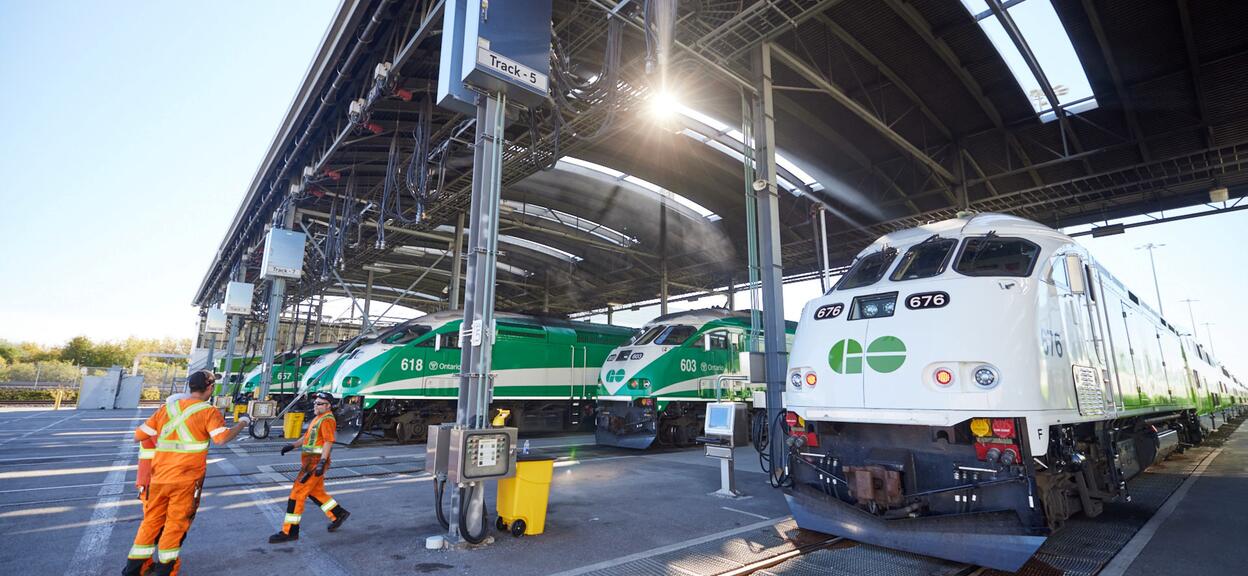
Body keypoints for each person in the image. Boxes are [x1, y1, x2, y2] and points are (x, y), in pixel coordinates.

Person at [123, 370, 250, 576]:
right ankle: (166, 570)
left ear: (190, 386)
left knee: (150, 522)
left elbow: (138, 435)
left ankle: (133, 570)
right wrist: (243, 423)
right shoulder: (208, 412)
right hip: (186, 481)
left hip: (159, 479)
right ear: (210, 387)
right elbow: (221, 439)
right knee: (175, 524)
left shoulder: (166, 409)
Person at [269, 391, 350, 542]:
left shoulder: (327, 420)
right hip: (309, 462)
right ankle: (338, 514)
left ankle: (290, 532)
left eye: (319, 403)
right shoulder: (318, 418)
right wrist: (292, 445)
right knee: (316, 492)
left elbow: (328, 442)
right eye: (315, 403)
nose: (315, 405)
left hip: (314, 463)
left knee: (297, 494)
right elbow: (307, 437)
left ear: (328, 406)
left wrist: (322, 463)